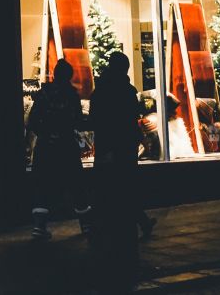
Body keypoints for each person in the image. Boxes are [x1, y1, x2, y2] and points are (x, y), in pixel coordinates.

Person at [90, 50, 141, 291]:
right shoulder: (128, 91)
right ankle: (124, 228)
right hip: (125, 149)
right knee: (125, 188)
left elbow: (95, 118)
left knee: (106, 190)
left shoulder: (100, 90)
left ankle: (103, 230)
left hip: (107, 148)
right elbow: (131, 118)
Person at [26, 58, 92, 240]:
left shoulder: (43, 94)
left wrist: (45, 134)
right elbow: (78, 120)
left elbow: (32, 121)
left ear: (55, 74)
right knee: (77, 184)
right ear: (69, 76)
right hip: (66, 146)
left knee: (42, 185)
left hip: (46, 147)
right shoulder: (71, 95)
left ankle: (39, 227)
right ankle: (86, 225)